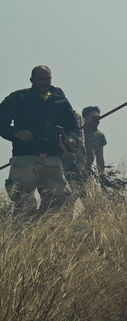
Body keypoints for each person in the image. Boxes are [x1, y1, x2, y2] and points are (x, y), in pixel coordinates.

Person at [0, 65, 81, 217]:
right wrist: (16, 133)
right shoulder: (18, 98)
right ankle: (23, 239)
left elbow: (72, 126)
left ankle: (47, 238)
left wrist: (71, 138)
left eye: (48, 78)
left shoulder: (60, 100)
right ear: (32, 80)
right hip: (25, 159)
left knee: (58, 203)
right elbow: (1, 122)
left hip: (52, 159)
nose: (45, 82)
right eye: (41, 79)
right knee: (24, 204)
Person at [80, 106, 108, 176]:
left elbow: (100, 158)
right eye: (94, 118)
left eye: (98, 118)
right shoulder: (77, 133)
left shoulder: (100, 136)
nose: (97, 121)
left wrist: (102, 175)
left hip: (87, 172)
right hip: (74, 170)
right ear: (85, 119)